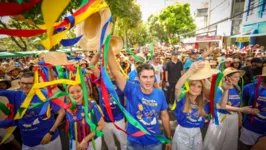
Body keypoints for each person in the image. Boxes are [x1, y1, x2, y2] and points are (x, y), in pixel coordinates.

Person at [108, 47, 171, 150]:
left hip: (154, 142)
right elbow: (116, 72)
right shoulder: (131, 89)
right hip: (134, 142)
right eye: (144, 77)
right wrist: (108, 46)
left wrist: (168, 137)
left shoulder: (160, 94)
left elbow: (164, 116)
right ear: (138, 78)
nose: (148, 81)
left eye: (151, 77)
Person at [0, 72, 65, 150]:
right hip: (28, 143)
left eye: (29, 84)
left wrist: (51, 132)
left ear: (35, 84)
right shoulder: (15, 95)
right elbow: (19, 121)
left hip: (49, 140)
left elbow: (61, 112)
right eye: (22, 83)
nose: (24, 86)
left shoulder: (45, 95)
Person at [172, 61, 228, 150]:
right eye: (193, 85)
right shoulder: (182, 98)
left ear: (202, 89)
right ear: (188, 86)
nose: (195, 88)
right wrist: (190, 71)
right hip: (182, 133)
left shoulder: (205, 102)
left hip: (197, 133)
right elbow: (177, 87)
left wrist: (225, 90)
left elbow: (222, 106)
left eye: (199, 86)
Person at [204, 67, 259, 150]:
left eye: (238, 77)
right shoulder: (220, 89)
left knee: (229, 142)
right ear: (227, 77)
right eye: (235, 76)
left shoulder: (238, 88)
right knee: (217, 142)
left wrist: (240, 115)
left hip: (233, 118)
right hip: (222, 118)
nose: (238, 79)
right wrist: (241, 110)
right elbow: (219, 105)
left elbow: (238, 104)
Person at [90, 53, 127, 150]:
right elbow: (91, 65)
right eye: (106, 69)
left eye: (111, 69)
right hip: (104, 120)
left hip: (118, 120)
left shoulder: (121, 82)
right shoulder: (102, 80)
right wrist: (98, 52)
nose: (109, 71)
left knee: (124, 143)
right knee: (109, 144)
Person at [66, 84, 105, 150]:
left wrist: (85, 140)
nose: (75, 95)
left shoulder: (92, 106)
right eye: (72, 92)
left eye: (78, 91)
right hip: (75, 142)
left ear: (83, 91)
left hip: (92, 143)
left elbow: (101, 125)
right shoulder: (67, 106)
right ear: (68, 94)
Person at [240, 67, 266, 150]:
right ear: (262, 77)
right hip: (249, 127)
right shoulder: (249, 88)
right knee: (244, 147)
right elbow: (242, 105)